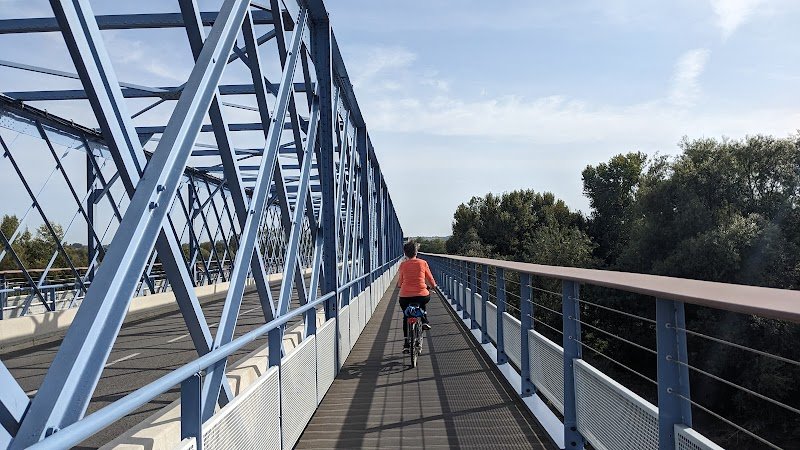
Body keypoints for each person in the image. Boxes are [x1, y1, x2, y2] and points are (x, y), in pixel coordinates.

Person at [397, 240, 436, 353]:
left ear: (405, 253)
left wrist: (400, 285)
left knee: (406, 316)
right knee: (423, 301)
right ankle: (424, 321)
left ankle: (406, 343)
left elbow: (400, 283)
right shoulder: (423, 263)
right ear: (416, 252)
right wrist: (433, 286)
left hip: (405, 297)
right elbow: (430, 278)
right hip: (421, 295)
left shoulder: (403, 265)